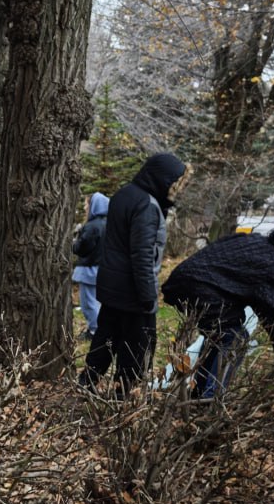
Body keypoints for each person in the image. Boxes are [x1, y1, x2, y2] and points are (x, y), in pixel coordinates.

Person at [161, 221, 274, 398]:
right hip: (200, 288)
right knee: (235, 338)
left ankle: (200, 392)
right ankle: (210, 398)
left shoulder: (254, 241)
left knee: (221, 335)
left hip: (183, 280)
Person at [78, 153, 188, 396]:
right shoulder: (146, 205)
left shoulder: (123, 194)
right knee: (136, 347)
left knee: (106, 337)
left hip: (111, 286)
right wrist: (148, 297)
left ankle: (87, 382)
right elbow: (142, 255)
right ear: (161, 177)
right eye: (173, 181)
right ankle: (123, 396)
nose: (174, 188)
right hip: (133, 291)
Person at [72, 192, 109, 340]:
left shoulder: (92, 226)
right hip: (103, 269)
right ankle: (99, 330)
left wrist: (73, 245)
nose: (86, 207)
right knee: (98, 303)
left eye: (88, 204)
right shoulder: (109, 223)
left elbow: (83, 248)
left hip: (89, 270)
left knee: (88, 303)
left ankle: (95, 332)